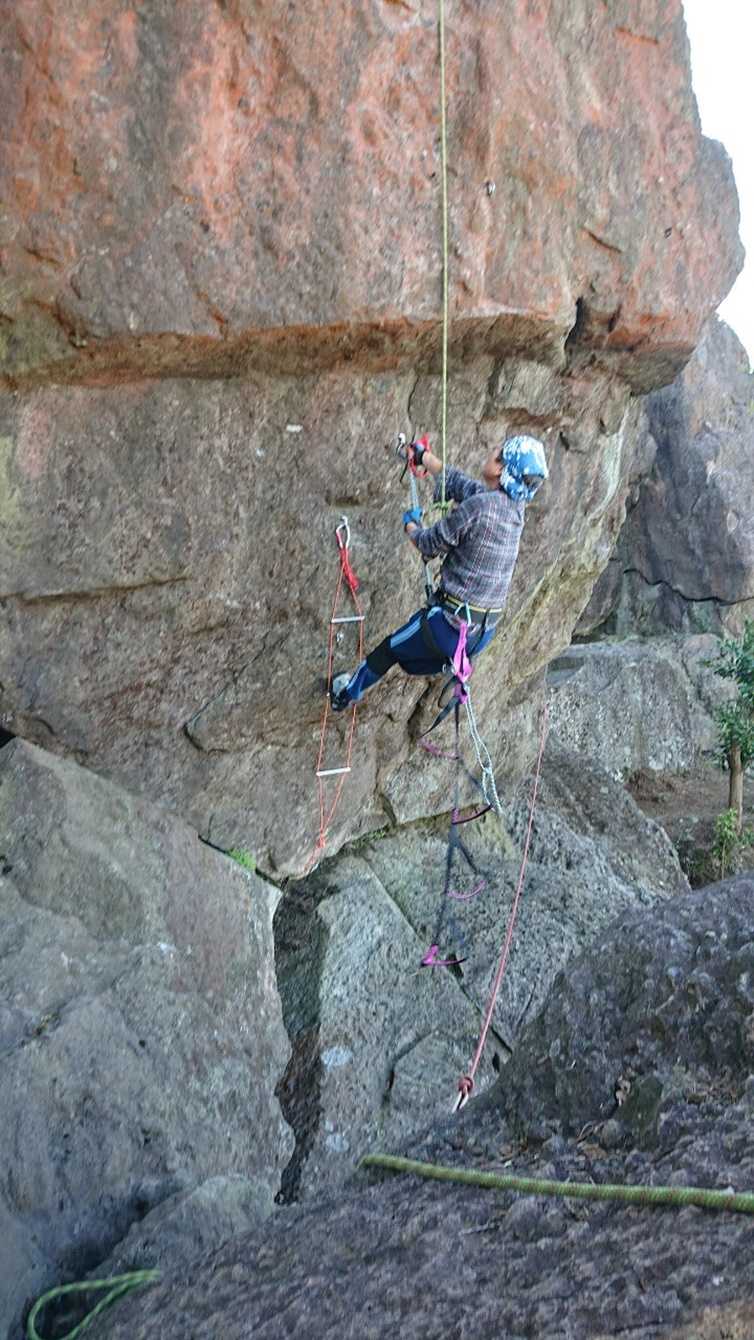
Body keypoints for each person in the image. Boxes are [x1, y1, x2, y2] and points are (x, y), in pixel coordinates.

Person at [330, 434, 548, 711]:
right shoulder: (514, 509)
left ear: (501, 469)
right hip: (480, 632)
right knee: (410, 659)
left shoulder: (479, 508)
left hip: (449, 625)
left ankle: (344, 695)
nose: (493, 449)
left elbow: (427, 544)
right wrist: (424, 458)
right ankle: (439, 663)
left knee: (390, 649)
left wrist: (411, 524)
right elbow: (460, 484)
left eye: (498, 453)